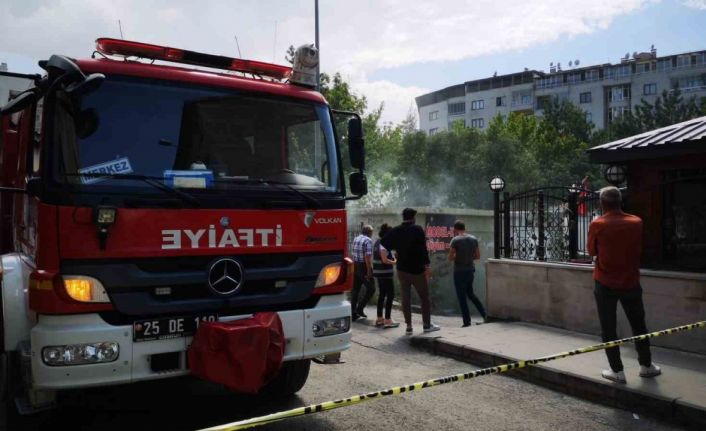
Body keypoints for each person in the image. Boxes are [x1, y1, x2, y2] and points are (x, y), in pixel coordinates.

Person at [588, 186, 661, 384]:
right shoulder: (636, 222)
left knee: (608, 327)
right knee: (639, 323)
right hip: (630, 281)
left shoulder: (598, 224)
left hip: (604, 282)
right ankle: (646, 366)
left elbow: (590, 251)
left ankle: (617, 371)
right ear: (621, 202)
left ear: (602, 204)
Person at [381, 208, 440, 334]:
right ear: (413, 217)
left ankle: (409, 327)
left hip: (402, 270)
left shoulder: (396, 230)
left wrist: (396, 250)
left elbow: (384, 242)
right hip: (417, 269)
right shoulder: (417, 229)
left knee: (405, 298)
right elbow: (423, 249)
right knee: (424, 297)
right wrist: (427, 266)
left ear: (403, 217)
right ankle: (426, 325)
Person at [448, 220, 487, 327]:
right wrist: (469, 258)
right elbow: (478, 256)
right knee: (471, 294)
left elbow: (450, 257)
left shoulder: (455, 240)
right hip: (470, 270)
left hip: (459, 271)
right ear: (464, 228)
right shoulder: (473, 239)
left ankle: (467, 322)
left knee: (462, 296)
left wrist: (458, 256)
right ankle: (485, 315)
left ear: (455, 229)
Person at [373, 223, 399, 328]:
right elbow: (384, 259)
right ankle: (388, 319)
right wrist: (394, 262)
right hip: (385, 273)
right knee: (390, 295)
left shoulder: (377, 242)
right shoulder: (383, 243)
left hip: (378, 273)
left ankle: (380, 319)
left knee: (382, 295)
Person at [350, 225, 375, 321]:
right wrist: (369, 270)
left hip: (355, 265)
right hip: (364, 266)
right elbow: (367, 257)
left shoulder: (356, 238)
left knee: (355, 289)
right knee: (371, 289)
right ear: (369, 232)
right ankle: (359, 308)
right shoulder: (368, 240)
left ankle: (353, 313)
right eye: (372, 232)